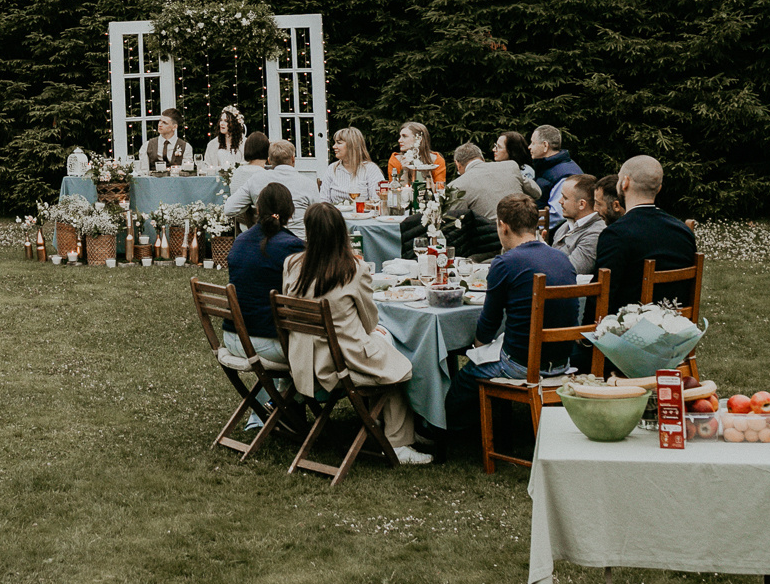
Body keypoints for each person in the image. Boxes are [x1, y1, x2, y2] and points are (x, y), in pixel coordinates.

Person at [281, 203, 429, 464]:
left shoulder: (292, 264)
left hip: (302, 361)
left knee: (382, 351)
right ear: (342, 232)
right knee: (399, 364)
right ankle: (398, 442)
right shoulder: (353, 269)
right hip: (338, 363)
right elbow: (370, 321)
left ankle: (377, 421)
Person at [445, 195, 578, 445]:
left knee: (465, 378)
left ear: (503, 226)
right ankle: (495, 422)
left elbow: (489, 323)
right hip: (563, 361)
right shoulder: (562, 258)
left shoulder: (505, 263)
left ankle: (449, 435)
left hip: (521, 364)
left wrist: (478, 349)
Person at [594, 155, 698, 316]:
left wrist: (586, 331)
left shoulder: (616, 234)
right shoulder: (683, 232)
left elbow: (602, 294)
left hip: (629, 327)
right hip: (676, 325)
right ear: (659, 188)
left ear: (624, 182)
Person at [222, 182, 303, 369]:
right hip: (266, 342)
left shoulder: (240, 241)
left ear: (258, 209)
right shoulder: (292, 246)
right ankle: (293, 389)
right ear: (291, 212)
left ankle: (280, 390)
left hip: (232, 336)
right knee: (318, 346)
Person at [221, 138, 316, 233]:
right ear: (293, 159)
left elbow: (229, 209)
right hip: (299, 239)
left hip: (266, 239)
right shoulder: (309, 184)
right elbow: (319, 218)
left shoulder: (256, 180)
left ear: (269, 160)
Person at [447, 142, 532, 222]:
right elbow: (536, 192)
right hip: (525, 224)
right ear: (482, 159)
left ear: (457, 164)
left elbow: (454, 220)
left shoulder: (457, 185)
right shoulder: (510, 166)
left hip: (492, 230)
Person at [529, 126, 584, 233]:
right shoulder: (549, 168)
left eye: (533, 143)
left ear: (545, 146)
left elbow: (557, 215)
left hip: (554, 236)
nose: (529, 147)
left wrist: (529, 227)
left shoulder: (563, 175)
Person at [550, 173, 606, 275]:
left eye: (565, 198)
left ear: (581, 204)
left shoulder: (595, 234)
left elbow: (570, 270)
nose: (560, 201)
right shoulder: (567, 225)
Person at [320, 127, 383, 206]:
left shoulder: (370, 169)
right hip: (336, 213)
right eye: (335, 143)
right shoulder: (332, 169)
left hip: (362, 213)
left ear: (352, 145)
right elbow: (324, 201)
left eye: (339, 143)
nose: (334, 146)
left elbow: (378, 200)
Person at [386, 122, 447, 190]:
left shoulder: (436, 159)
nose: (399, 140)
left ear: (419, 139)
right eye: (400, 136)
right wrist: (405, 171)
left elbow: (440, 189)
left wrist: (427, 173)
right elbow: (394, 190)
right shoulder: (395, 160)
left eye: (404, 136)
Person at [493, 131, 542, 199]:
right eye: (495, 146)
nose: (494, 149)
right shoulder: (495, 169)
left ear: (512, 151)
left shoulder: (525, 171)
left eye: (499, 147)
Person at [206, 106, 248, 172]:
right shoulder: (212, 144)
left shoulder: (245, 143)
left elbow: (247, 165)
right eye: (221, 120)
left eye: (226, 121)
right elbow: (207, 165)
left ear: (234, 124)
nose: (222, 124)